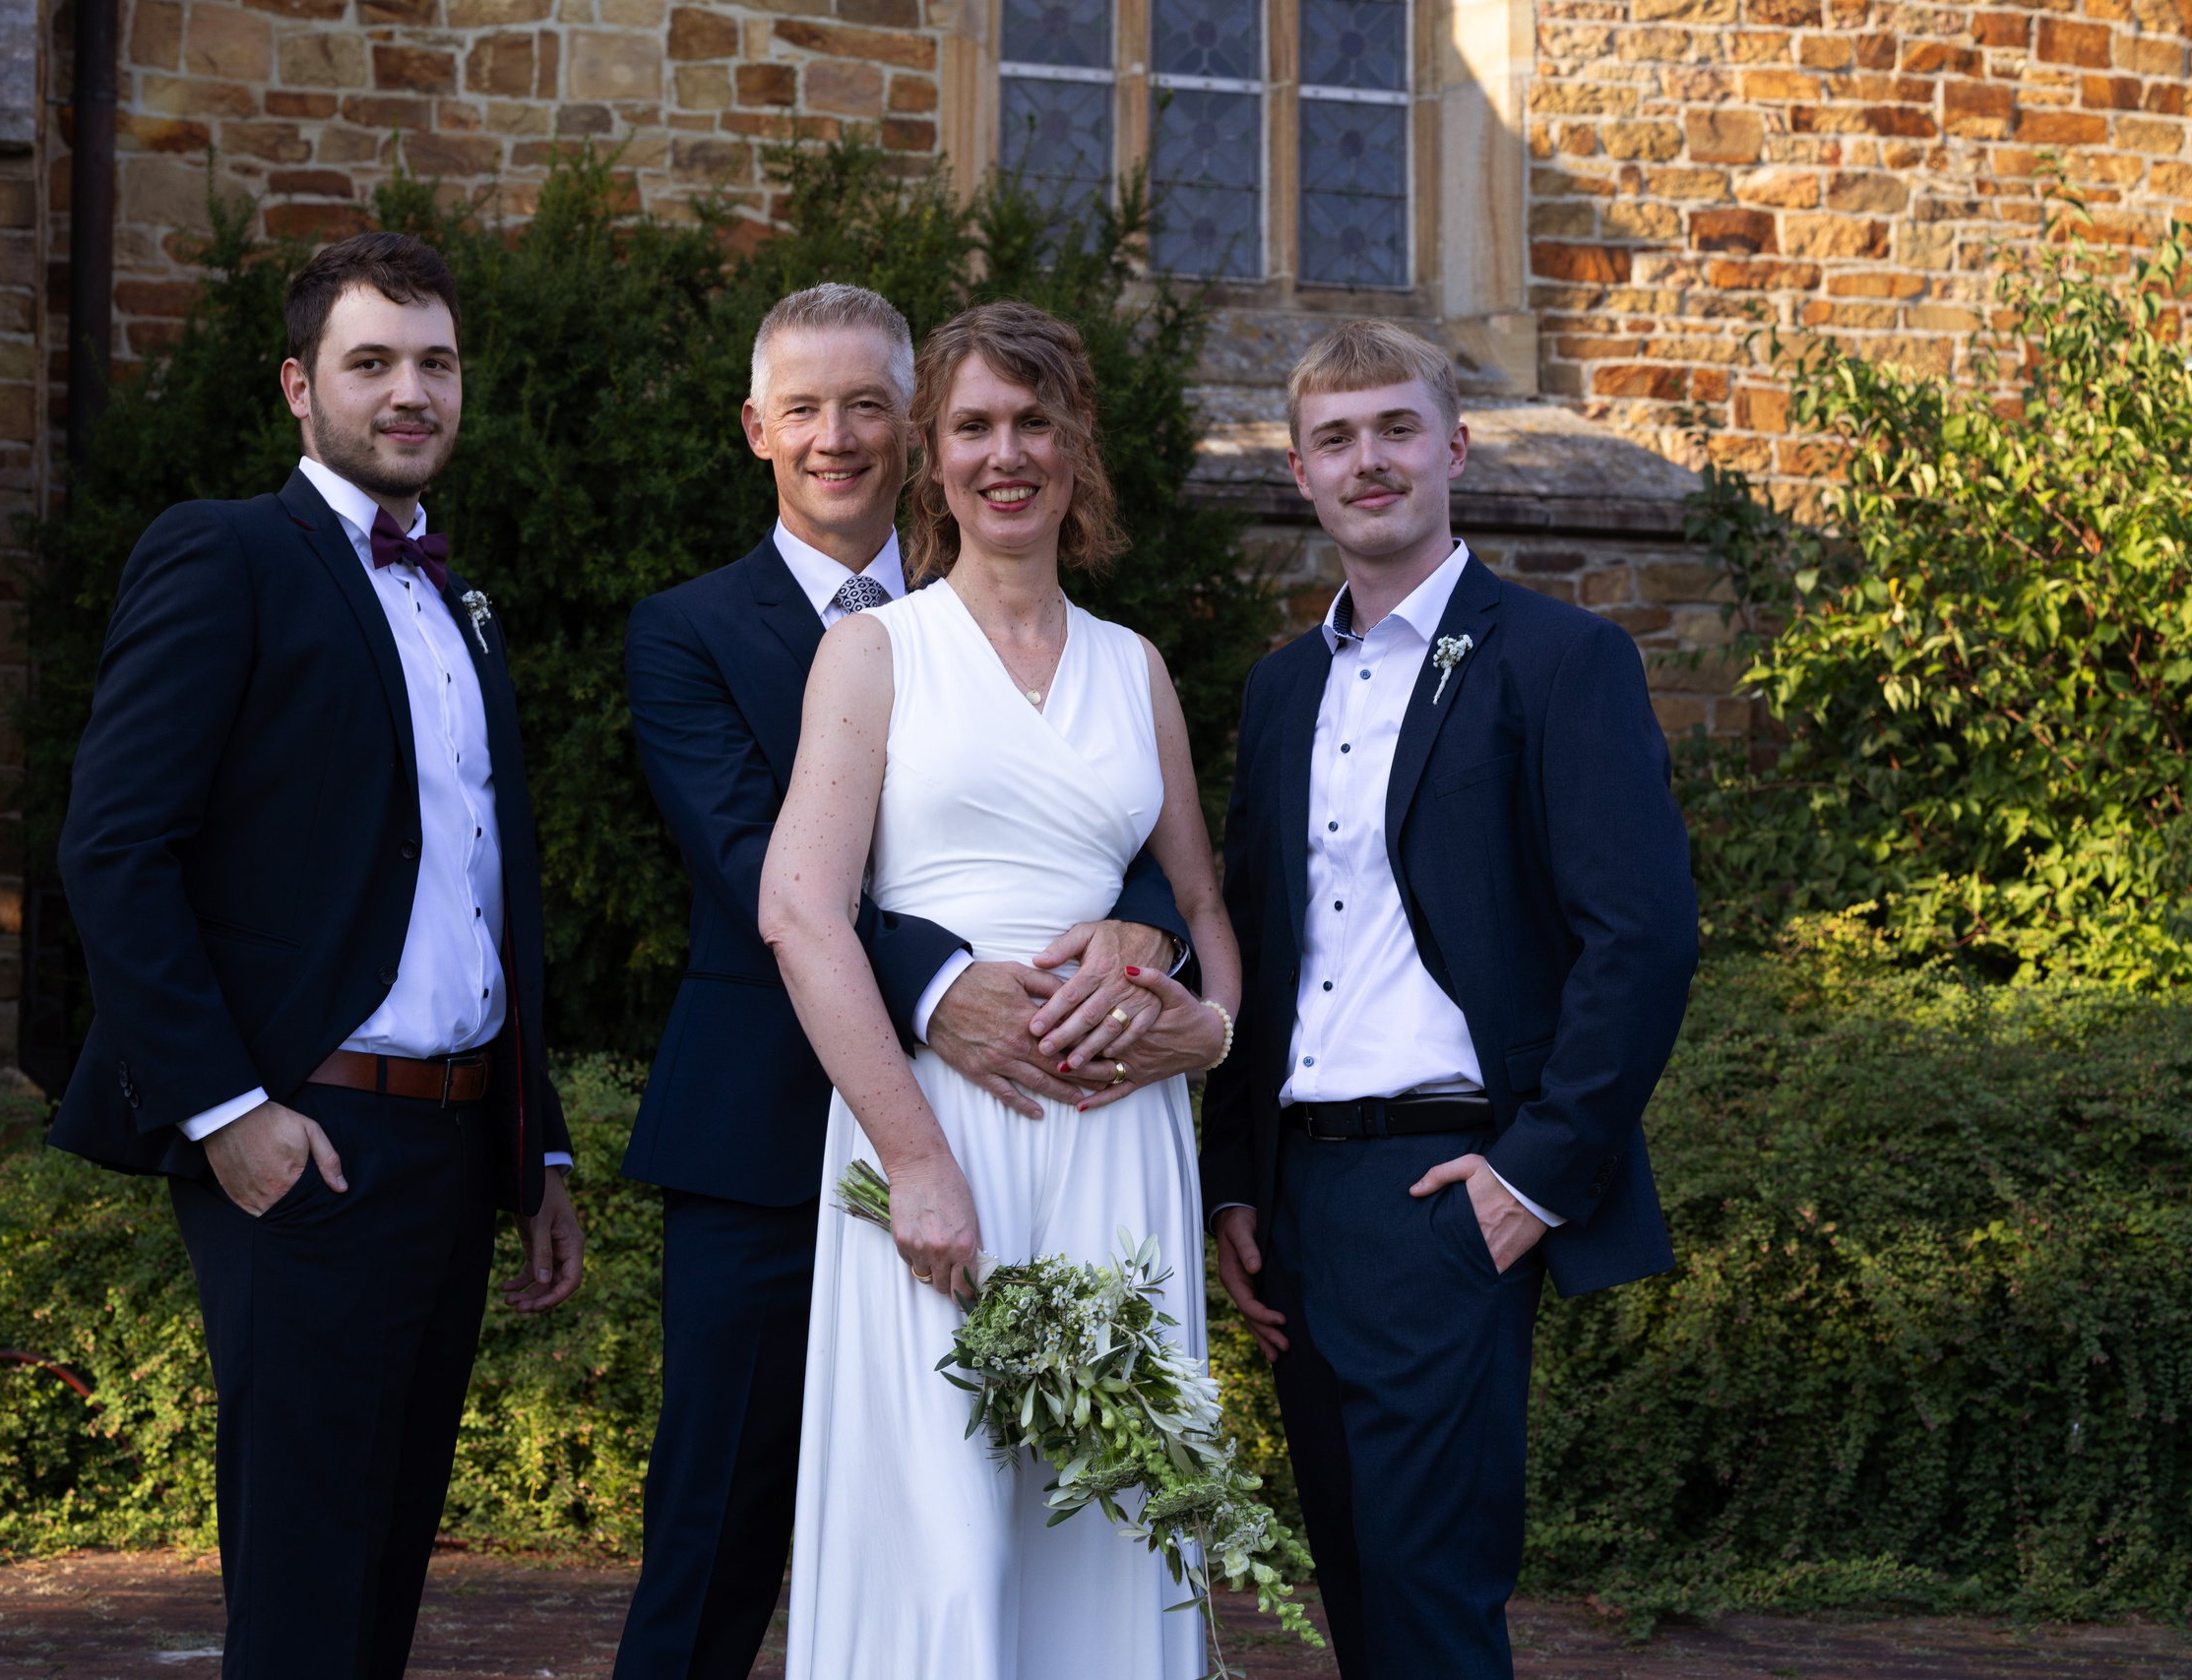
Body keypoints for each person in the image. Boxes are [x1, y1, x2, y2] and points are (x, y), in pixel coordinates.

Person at [615, 283, 1200, 1679]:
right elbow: (767, 868)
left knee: (1065, 1513)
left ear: (909, 432)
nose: (839, 437)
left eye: (867, 404)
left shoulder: (1081, 641)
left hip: (1057, 1120)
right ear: (758, 429)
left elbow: (1142, 842)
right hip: (778, 1141)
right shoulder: (693, 632)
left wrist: (1141, 933)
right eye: (806, 409)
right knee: (722, 1537)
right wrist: (945, 987)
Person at [49, 231, 586, 1680]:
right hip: (308, 1137)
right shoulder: (224, 554)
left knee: (388, 1566)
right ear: (301, 386)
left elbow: (486, 889)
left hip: (455, 1141)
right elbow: (114, 849)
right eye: (372, 363)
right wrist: (228, 1113)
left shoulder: (457, 599)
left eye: (436, 363)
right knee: (299, 1588)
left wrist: (537, 1152)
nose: (410, 392)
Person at [1201, 319, 1698, 1678]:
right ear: (1299, 473)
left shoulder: (1557, 660)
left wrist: (1535, 1176)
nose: (1370, 461)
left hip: (1450, 1189)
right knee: (1355, 1584)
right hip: (1302, 1203)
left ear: (1454, 448)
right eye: (1336, 439)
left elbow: (1641, 940)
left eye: (1396, 429)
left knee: (1429, 1599)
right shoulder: (1280, 689)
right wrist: (1235, 1185)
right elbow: (1256, 933)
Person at [760, 300, 1243, 1679]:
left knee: (1114, 1519)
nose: (1005, 452)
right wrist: (913, 1160)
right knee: (946, 1527)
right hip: (943, 1140)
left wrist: (1201, 1025)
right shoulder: (875, 651)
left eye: (1035, 422)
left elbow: (1203, 914)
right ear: (933, 455)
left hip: (1118, 1152)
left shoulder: (1134, 666)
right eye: (973, 425)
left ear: (1076, 446)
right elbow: (800, 910)